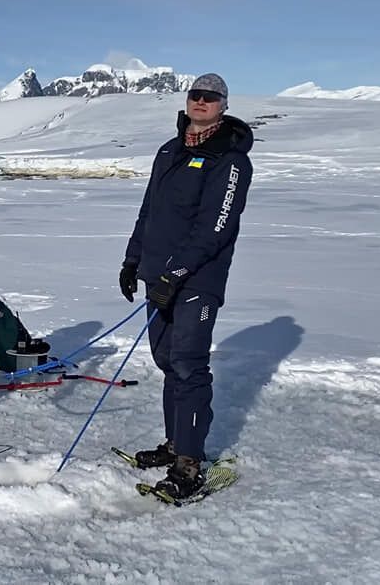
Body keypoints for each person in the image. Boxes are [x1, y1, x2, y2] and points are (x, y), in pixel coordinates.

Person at [119, 73, 253, 499]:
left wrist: (175, 274)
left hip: (198, 279)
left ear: (223, 105)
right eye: (195, 94)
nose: (200, 101)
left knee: (188, 365)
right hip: (157, 277)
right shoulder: (169, 150)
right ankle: (176, 443)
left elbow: (215, 227)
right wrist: (132, 261)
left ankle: (190, 464)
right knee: (165, 360)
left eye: (210, 97)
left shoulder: (229, 159)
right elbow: (149, 212)